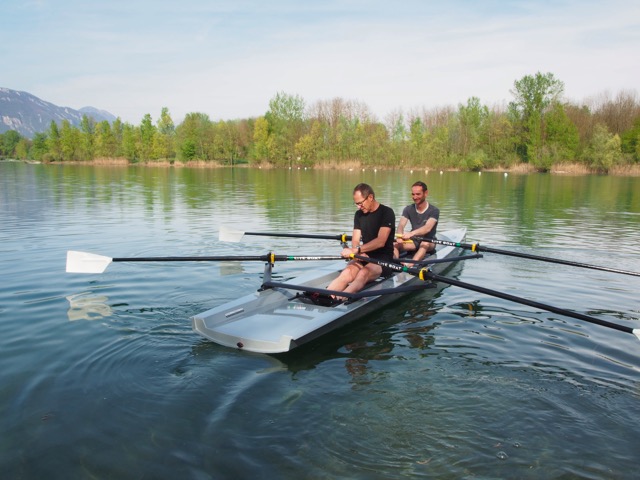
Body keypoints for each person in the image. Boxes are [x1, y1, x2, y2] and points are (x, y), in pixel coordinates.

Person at [326, 183, 395, 298]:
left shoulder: (387, 212)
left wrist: (356, 250)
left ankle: (340, 299)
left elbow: (381, 241)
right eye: (356, 204)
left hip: (383, 260)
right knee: (347, 272)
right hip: (365, 255)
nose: (358, 207)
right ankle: (326, 297)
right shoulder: (359, 215)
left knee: (363, 273)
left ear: (370, 197)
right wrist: (357, 251)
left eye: (360, 203)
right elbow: (355, 239)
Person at [393, 181, 439, 263]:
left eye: (418, 194)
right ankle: (396, 263)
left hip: (429, 241)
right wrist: (399, 236)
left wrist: (411, 233)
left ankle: (411, 265)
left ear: (426, 193)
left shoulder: (434, 210)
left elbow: (427, 228)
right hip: (414, 241)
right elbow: (401, 225)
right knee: (395, 244)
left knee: (424, 243)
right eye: (413, 194)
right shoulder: (408, 209)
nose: (415, 197)